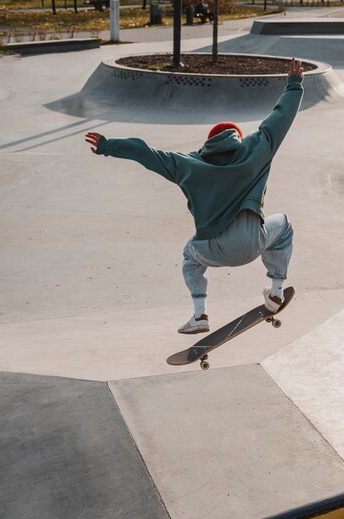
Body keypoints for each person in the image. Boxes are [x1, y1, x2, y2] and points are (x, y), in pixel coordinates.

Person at [85, 57, 304, 334]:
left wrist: (108, 146)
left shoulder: (188, 164)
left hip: (212, 249)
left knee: (190, 253)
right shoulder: (258, 148)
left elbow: (146, 153)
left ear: (209, 143)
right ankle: (275, 291)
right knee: (284, 225)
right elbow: (280, 117)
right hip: (254, 242)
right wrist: (294, 84)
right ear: (238, 138)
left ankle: (200, 314)